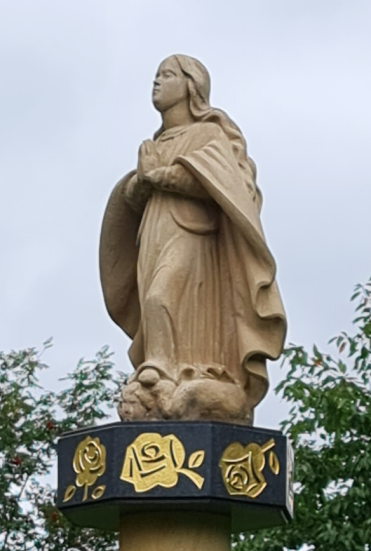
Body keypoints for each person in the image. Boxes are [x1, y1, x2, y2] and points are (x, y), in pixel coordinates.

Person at [99, 55, 286, 423]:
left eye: (166, 75)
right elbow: (137, 196)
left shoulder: (209, 135)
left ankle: (166, 368)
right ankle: (166, 369)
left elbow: (220, 182)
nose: (156, 82)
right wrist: (139, 183)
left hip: (194, 235)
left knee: (161, 297)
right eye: (155, 75)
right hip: (153, 230)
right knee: (153, 298)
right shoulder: (153, 144)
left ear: (191, 86)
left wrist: (159, 177)